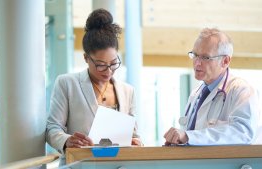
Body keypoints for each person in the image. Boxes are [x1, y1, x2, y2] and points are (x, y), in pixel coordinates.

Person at [46, 8, 141, 155]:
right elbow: (52, 127)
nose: (108, 70)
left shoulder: (127, 91)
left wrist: (136, 142)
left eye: (114, 63)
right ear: (86, 58)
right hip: (81, 164)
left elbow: (134, 135)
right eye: (101, 65)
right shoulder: (67, 84)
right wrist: (67, 140)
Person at [164, 28, 260, 145]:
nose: (197, 63)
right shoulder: (196, 94)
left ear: (225, 61)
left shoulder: (241, 90)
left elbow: (243, 133)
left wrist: (189, 137)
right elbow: (192, 137)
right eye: (195, 55)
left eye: (205, 57)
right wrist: (178, 140)